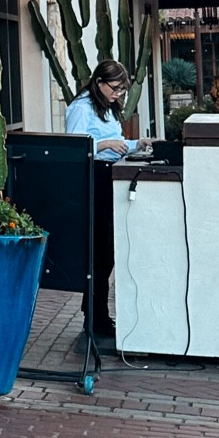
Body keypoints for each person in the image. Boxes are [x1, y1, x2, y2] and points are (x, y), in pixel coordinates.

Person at [64, 60, 132, 339]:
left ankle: (96, 313)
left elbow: (117, 141)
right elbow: (73, 146)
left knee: (107, 250)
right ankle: (95, 316)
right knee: (101, 250)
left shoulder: (106, 108)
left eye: (121, 90)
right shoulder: (81, 108)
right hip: (95, 178)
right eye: (115, 88)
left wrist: (140, 144)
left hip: (109, 174)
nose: (118, 94)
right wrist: (103, 144)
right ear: (99, 83)